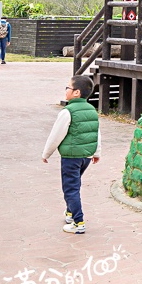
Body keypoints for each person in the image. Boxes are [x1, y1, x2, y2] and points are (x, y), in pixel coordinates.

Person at [41, 75, 101, 235]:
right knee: (74, 184)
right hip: (86, 157)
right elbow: (96, 132)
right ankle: (69, 212)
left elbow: (56, 135)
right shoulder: (92, 110)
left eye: (68, 87)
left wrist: (46, 153)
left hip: (71, 157)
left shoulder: (68, 112)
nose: (66, 90)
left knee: (70, 189)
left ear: (76, 92)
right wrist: (97, 152)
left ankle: (78, 222)